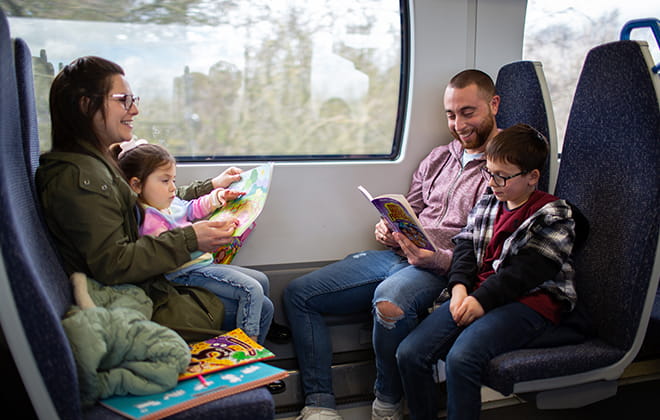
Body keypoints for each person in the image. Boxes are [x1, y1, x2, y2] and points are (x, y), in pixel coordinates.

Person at [282, 69, 501, 420]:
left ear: (493, 105)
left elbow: (485, 248)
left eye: (468, 113)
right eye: (450, 114)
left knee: (390, 304)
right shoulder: (438, 158)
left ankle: (387, 402)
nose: (458, 124)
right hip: (400, 254)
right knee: (299, 294)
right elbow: (410, 207)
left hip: (441, 267)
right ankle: (320, 404)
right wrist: (388, 228)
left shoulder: (502, 167)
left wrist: (435, 259)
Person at [35, 56, 285, 345]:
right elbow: (113, 263)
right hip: (145, 299)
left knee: (260, 290)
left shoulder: (101, 162)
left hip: (152, 285)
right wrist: (190, 239)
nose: (135, 109)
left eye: (133, 99)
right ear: (86, 105)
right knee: (261, 304)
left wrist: (211, 188)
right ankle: (248, 367)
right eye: (123, 100)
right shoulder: (81, 179)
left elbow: (162, 197)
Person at [396, 123, 584, 420]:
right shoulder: (489, 202)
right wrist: (459, 288)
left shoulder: (554, 215)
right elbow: (466, 246)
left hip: (528, 301)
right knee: (410, 354)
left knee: (462, 358)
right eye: (489, 172)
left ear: (532, 177)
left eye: (502, 176)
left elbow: (526, 273)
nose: (493, 182)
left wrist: (479, 301)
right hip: (478, 293)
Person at [111, 139, 274, 343]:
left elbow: (191, 207)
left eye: (173, 180)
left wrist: (219, 196)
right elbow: (172, 251)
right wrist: (210, 238)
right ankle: (250, 345)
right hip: (185, 271)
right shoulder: (150, 220)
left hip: (201, 263)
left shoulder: (169, 202)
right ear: (136, 185)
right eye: (165, 181)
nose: (173, 188)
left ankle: (259, 322)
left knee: (262, 280)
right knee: (252, 289)